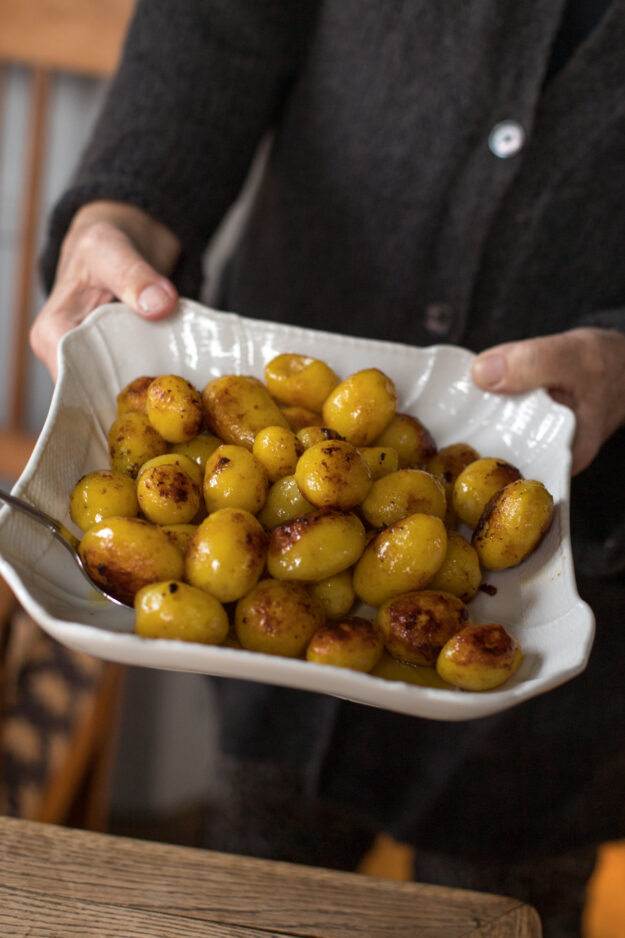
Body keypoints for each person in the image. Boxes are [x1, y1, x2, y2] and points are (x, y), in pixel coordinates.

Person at [31, 2, 625, 934]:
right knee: (261, 871)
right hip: (268, 584)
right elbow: (215, 25)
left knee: (509, 891)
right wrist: (123, 210)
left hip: (590, 575)